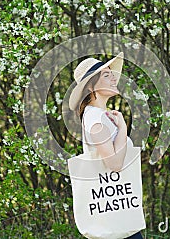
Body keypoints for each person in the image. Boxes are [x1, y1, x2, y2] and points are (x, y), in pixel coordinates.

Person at [68, 52, 144, 239]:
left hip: (117, 212)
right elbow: (115, 164)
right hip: (116, 220)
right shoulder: (95, 119)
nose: (114, 79)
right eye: (106, 75)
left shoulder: (97, 115)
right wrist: (123, 128)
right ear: (91, 86)